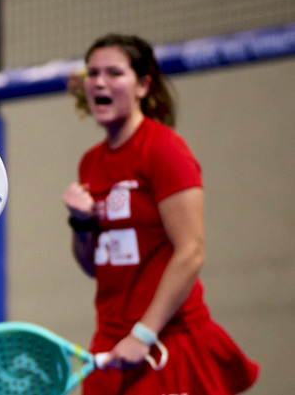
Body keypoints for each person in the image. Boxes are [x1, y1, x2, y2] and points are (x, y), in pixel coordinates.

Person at [63, 34, 258, 394]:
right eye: (93, 73)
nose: (100, 82)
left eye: (114, 73)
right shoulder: (90, 162)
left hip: (166, 337)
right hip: (111, 339)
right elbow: (93, 266)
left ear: (142, 85)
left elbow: (191, 251)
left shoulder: (165, 149)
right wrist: (80, 223)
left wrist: (144, 333)